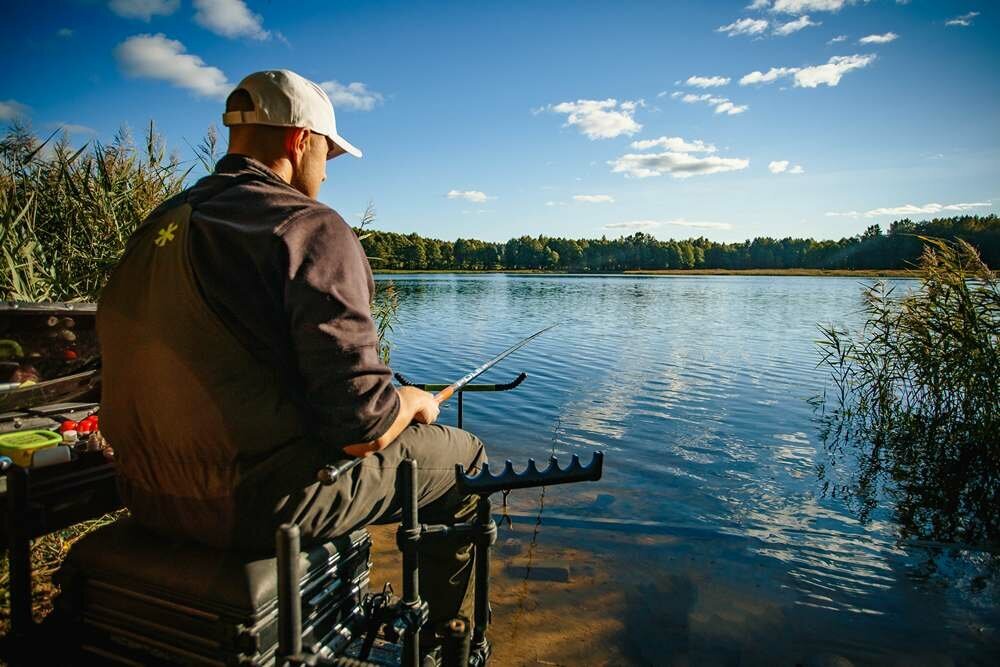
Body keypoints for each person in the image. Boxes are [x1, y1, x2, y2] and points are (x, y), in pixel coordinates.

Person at [96, 69, 487, 642]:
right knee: (465, 458)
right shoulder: (306, 227)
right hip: (257, 506)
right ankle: (438, 639)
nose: (326, 172)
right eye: (328, 154)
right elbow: (362, 428)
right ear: (299, 140)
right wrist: (410, 401)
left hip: (143, 492)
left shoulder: (161, 224)